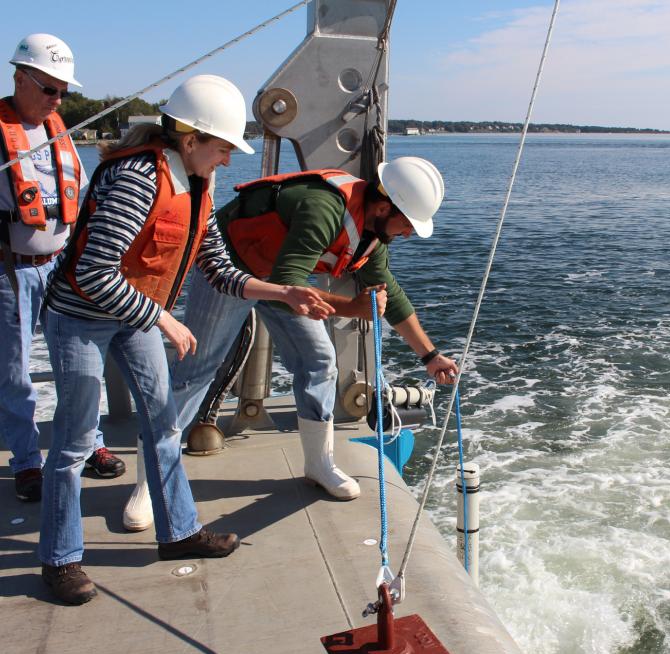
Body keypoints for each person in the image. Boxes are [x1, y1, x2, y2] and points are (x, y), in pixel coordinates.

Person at [38, 74, 335, 605]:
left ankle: (178, 532)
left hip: (135, 316)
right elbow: (94, 272)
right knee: (76, 442)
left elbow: (219, 268)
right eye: (222, 148)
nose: (226, 160)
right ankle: (60, 559)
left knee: (163, 423)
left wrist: (283, 292)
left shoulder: (196, 187)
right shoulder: (137, 179)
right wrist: (165, 319)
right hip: (80, 318)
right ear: (191, 139)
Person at [120, 156, 458, 531]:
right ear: (383, 206)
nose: (408, 233)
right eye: (408, 224)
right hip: (230, 270)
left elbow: (390, 296)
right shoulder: (323, 209)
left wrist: (430, 356)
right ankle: (149, 482)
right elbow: (290, 287)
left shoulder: (373, 234)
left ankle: (319, 463)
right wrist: (355, 307)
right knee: (197, 371)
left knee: (319, 359)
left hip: (279, 279)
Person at [0, 33, 126, 505]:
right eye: (49, 89)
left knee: (77, 360)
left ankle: (87, 442)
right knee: (13, 370)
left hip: (60, 266)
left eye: (62, 92)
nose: (57, 100)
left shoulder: (59, 131)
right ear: (19, 78)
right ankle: (28, 462)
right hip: (10, 273)